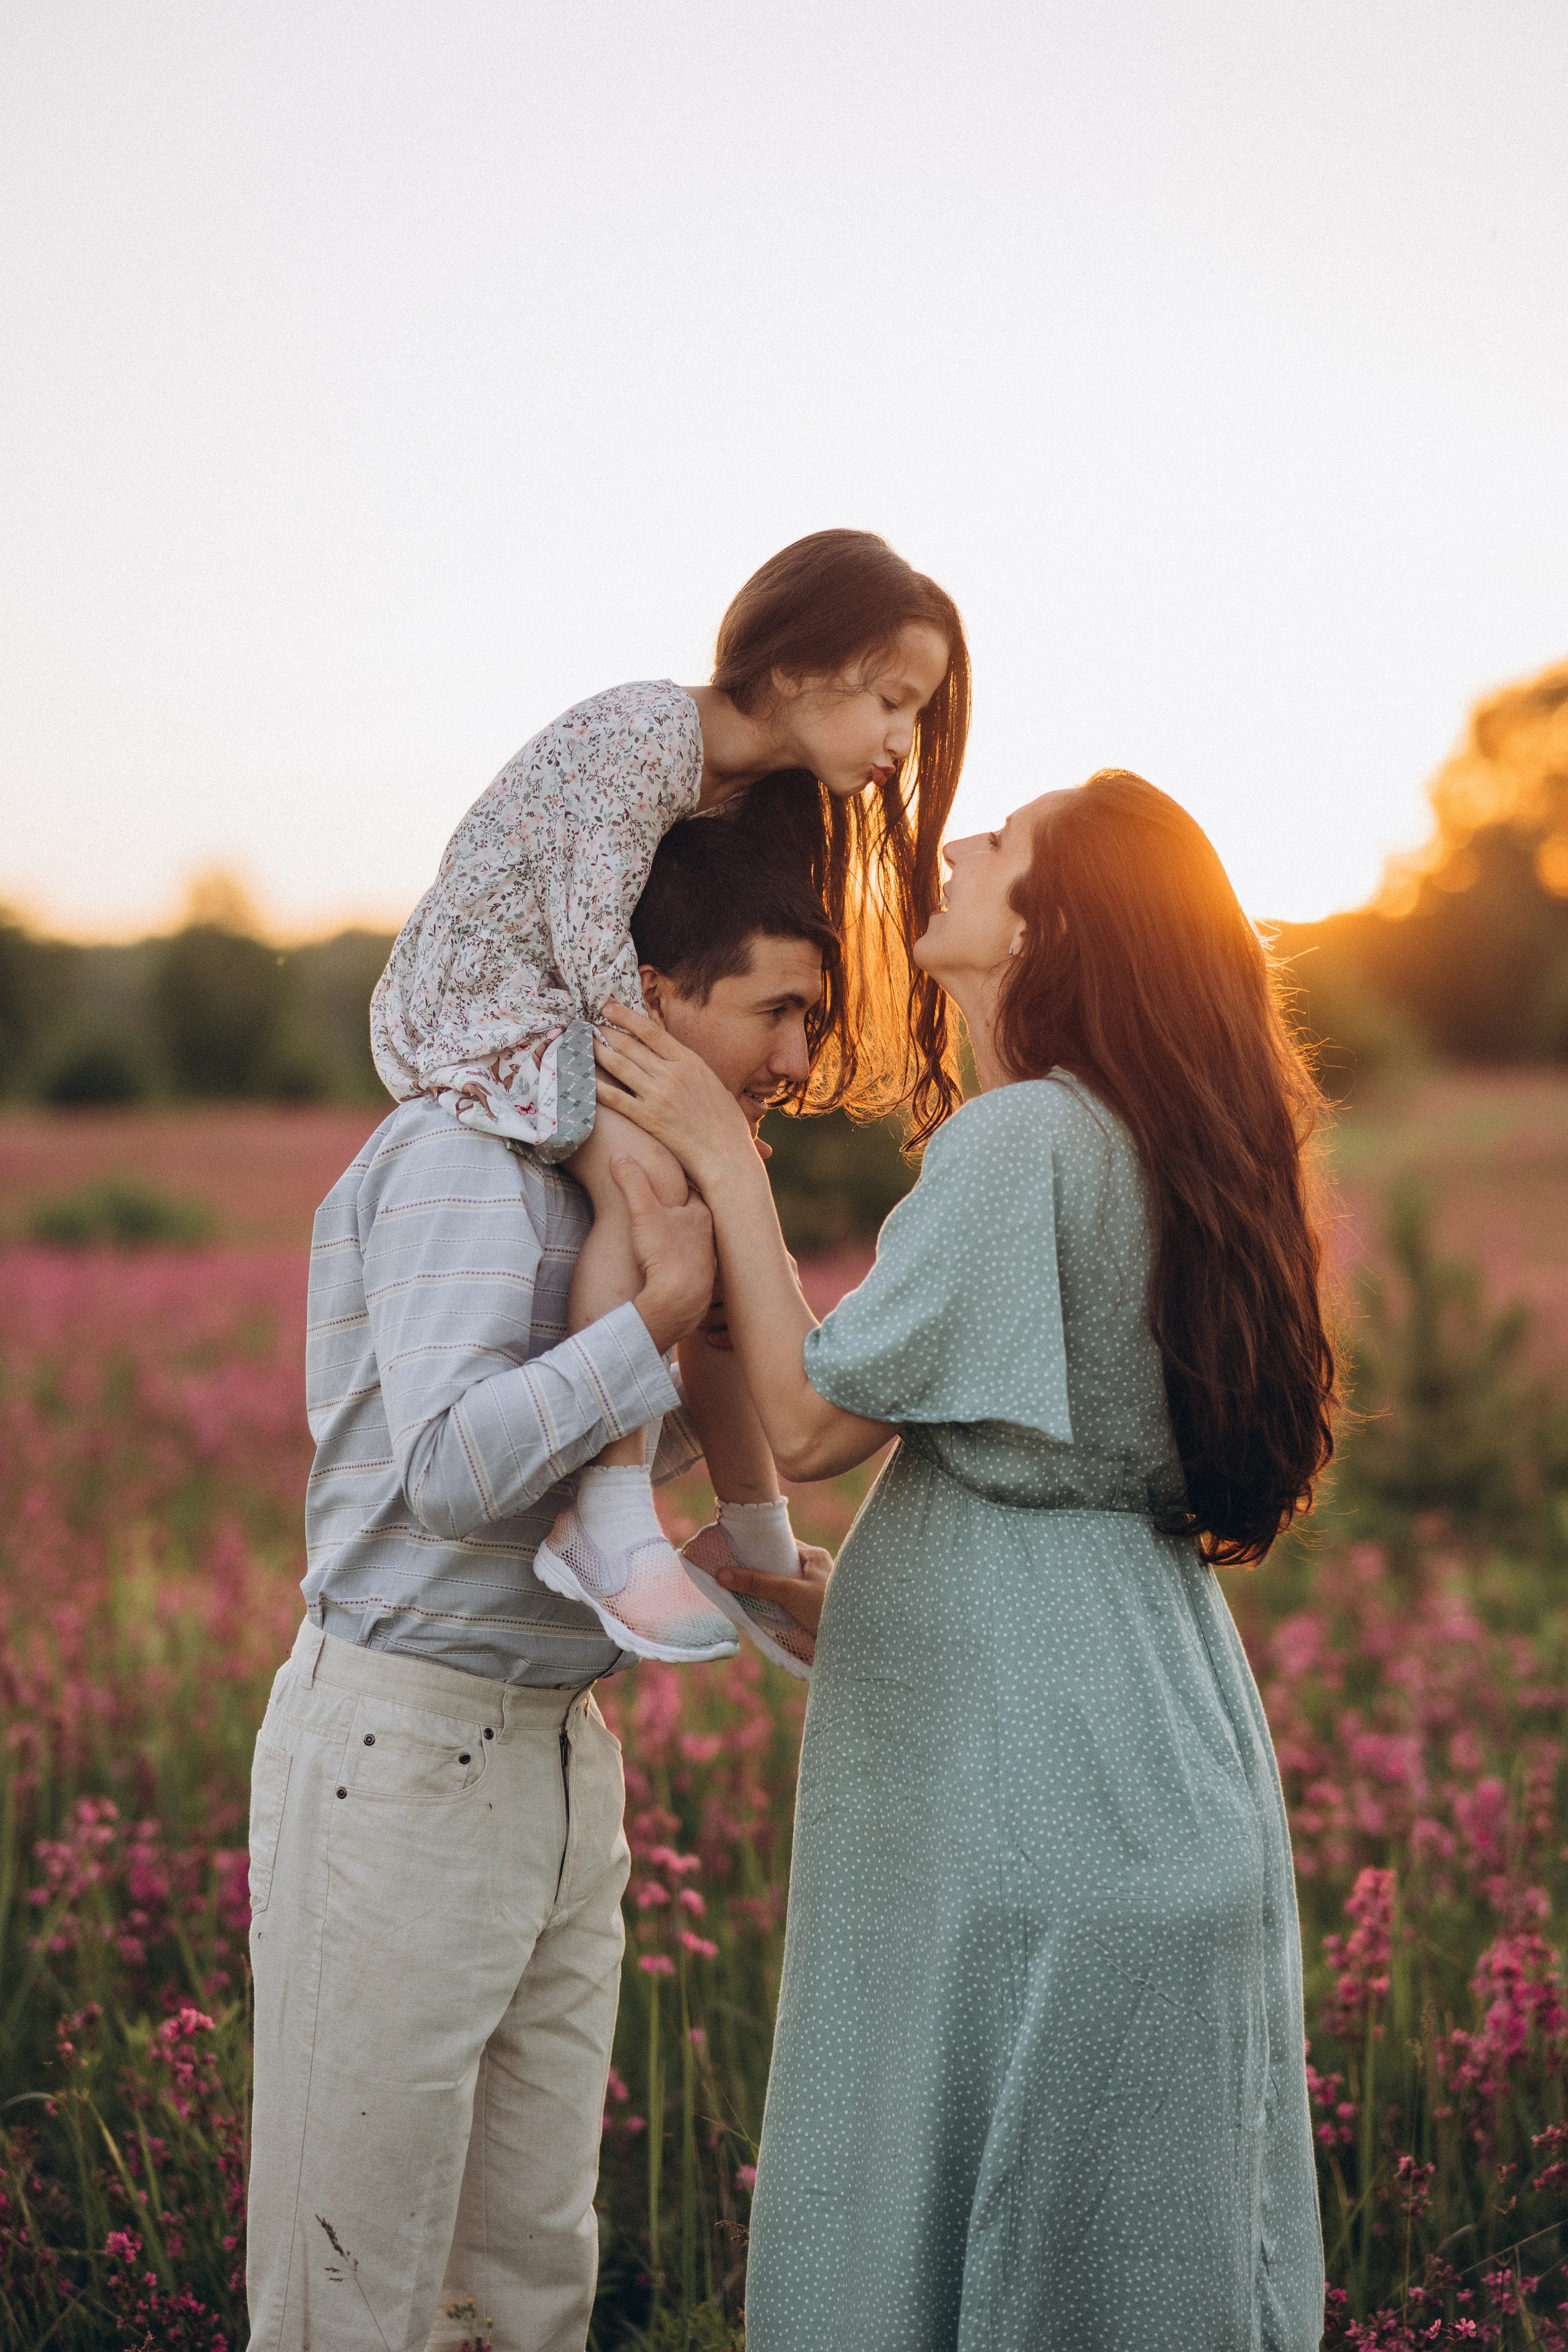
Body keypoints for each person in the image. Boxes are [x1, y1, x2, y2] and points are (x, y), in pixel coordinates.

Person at [594, 771, 1339, 2351]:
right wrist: (860, 1605)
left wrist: (724, 1156)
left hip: (1036, 1818)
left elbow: (800, 1427)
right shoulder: (1158, 1142)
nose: (960, 843)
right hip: (1155, 1749)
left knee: (955, 2234)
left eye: (1002, 843)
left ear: (1050, 925)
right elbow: (1033, 1474)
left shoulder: (1021, 1143)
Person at [246, 816, 839, 2352]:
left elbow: (663, 1422)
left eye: (814, 1019)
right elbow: (446, 1472)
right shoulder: (464, 1158)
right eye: (774, 1008)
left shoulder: (648, 1195)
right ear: (646, 999)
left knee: (526, 2276)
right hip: (403, 1748)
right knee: (354, 2283)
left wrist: (736, 1534)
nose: (794, 1052)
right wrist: (649, 1322)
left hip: (559, 1757)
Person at [369, 528, 968, 1657]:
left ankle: (756, 1536)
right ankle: (607, 1517)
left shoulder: (754, 798)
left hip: (568, 1004)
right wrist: (679, 1107)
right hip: (485, 997)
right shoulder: (647, 733)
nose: (902, 739)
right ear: (794, 671)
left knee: (725, 1219)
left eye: (915, 715)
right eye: (892, 701)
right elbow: (597, 942)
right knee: (647, 1174)